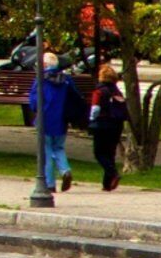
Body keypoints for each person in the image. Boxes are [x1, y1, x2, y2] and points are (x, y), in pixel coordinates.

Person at [31, 47, 75, 192]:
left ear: (44, 65)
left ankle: (49, 183)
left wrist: (35, 111)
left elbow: (34, 100)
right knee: (59, 147)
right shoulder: (66, 80)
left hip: (45, 118)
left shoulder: (41, 79)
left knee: (46, 151)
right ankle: (65, 170)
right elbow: (74, 98)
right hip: (62, 119)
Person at [85, 62, 130, 193]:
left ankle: (113, 173)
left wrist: (90, 120)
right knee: (110, 153)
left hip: (102, 124)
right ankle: (107, 183)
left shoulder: (99, 91)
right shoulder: (117, 92)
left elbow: (95, 109)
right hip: (116, 125)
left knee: (99, 153)